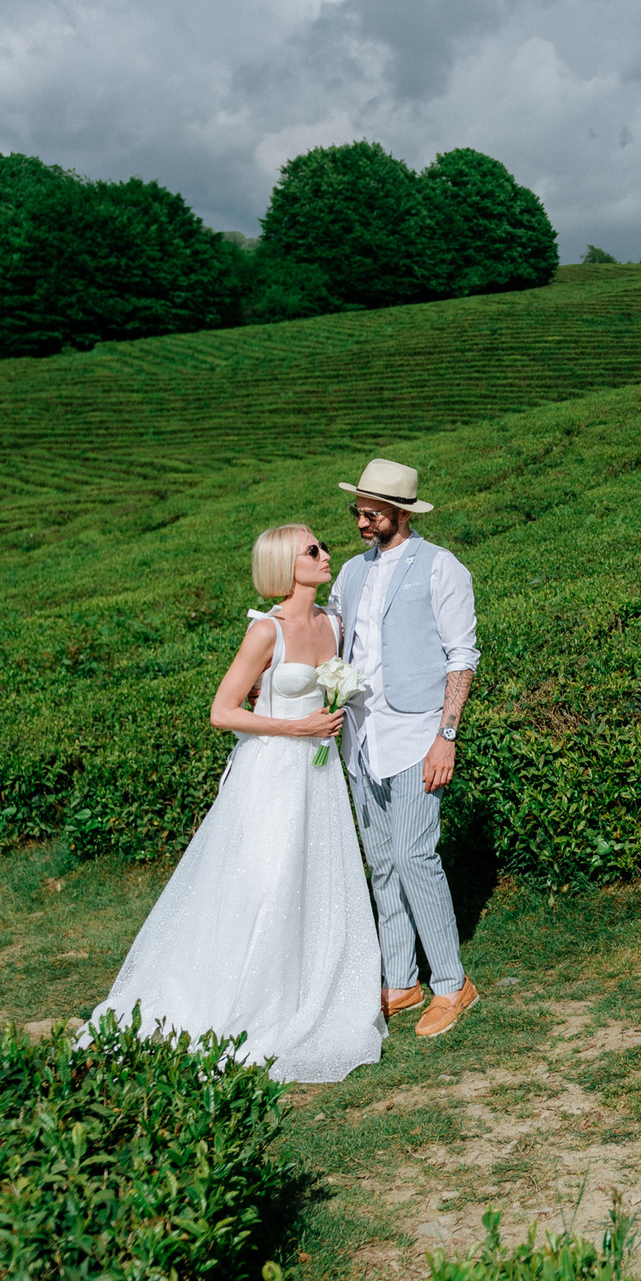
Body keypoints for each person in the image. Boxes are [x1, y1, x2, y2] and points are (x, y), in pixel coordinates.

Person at [79, 524, 385, 1081]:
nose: (325, 554)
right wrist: (297, 728)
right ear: (285, 566)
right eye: (312, 550)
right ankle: (239, 1000)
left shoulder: (333, 622)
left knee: (314, 879)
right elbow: (222, 711)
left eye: (321, 546)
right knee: (264, 882)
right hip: (270, 773)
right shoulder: (266, 630)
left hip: (319, 777)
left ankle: (306, 994)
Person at [333, 457, 483, 1038]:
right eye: (358, 511)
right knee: (382, 860)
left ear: (401, 513)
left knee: (415, 855)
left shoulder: (442, 567)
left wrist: (447, 737)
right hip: (361, 737)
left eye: (372, 514)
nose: (361, 522)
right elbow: (334, 642)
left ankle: (452, 982)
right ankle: (401, 979)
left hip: (419, 732)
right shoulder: (350, 573)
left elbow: (461, 657)